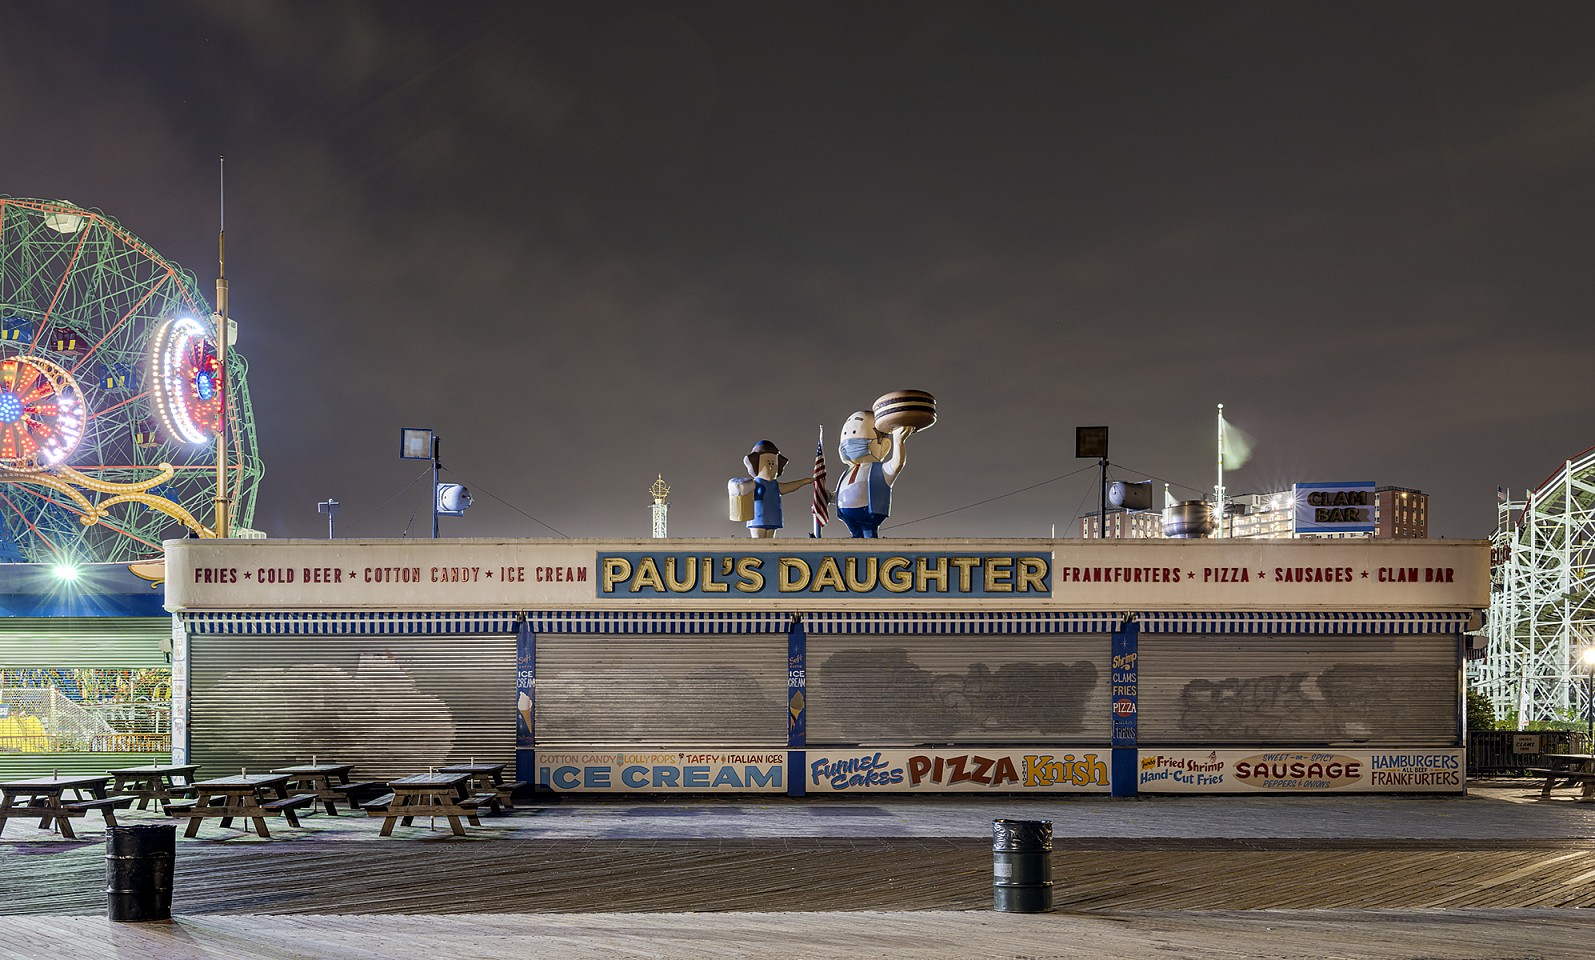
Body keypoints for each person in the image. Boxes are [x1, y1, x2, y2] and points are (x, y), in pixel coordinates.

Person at [834, 410, 913, 538]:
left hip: (869, 513)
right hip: (847, 517)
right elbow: (840, 493)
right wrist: (829, 497)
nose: (848, 446)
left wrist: (899, 440)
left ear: (884, 445)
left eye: (859, 439)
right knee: (854, 539)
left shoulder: (878, 470)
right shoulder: (846, 473)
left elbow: (897, 464)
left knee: (869, 539)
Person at [743, 440, 814, 538]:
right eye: (768, 463)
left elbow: (788, 487)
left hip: (773, 518)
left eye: (773, 463)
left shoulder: (775, 485)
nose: (771, 466)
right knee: (758, 543)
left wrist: (804, 481)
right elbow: (742, 489)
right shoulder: (754, 484)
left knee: (769, 542)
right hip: (757, 518)